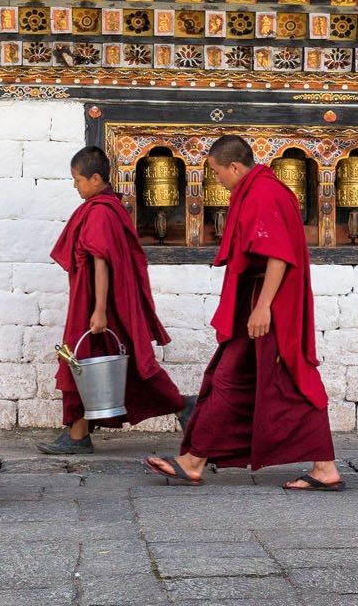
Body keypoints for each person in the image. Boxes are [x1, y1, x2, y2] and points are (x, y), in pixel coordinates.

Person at [145, 136, 344, 491]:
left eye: (218, 173)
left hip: (268, 303)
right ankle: (195, 460)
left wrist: (263, 307)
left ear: (235, 167)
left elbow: (279, 255)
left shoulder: (264, 193)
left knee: (283, 377)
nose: (218, 180)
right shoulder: (259, 189)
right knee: (235, 379)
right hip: (256, 299)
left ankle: (195, 461)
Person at [37, 146, 185, 455]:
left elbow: (101, 262)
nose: (75, 186)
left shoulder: (101, 212)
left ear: (95, 178)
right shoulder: (105, 207)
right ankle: (78, 434)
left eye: (77, 180)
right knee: (87, 362)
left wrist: (99, 311)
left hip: (93, 302)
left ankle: (183, 406)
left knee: (78, 362)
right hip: (91, 300)